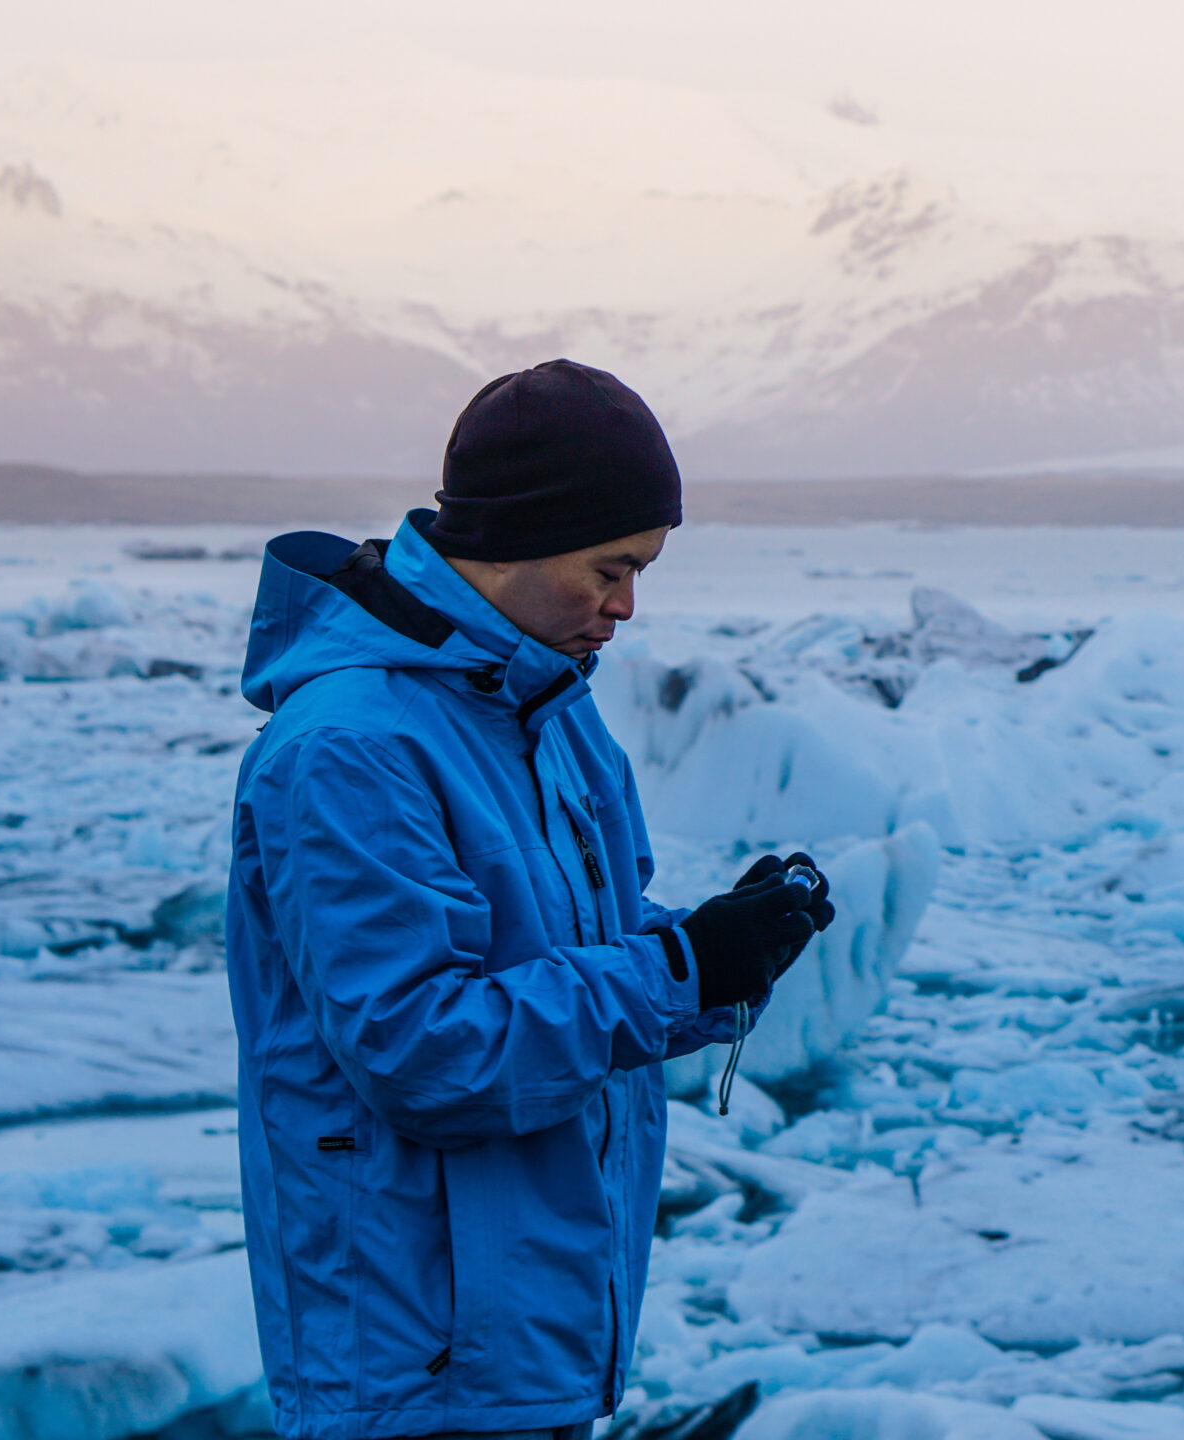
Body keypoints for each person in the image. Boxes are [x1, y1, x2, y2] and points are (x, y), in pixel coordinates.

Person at [224, 359, 833, 1440]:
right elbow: (422, 1051)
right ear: (521, 536)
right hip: (418, 1360)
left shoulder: (545, 711)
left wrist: (717, 953)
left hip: (523, 1332)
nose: (627, 605)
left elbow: (575, 954)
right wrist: (674, 970)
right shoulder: (350, 748)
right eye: (612, 566)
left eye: (642, 569)